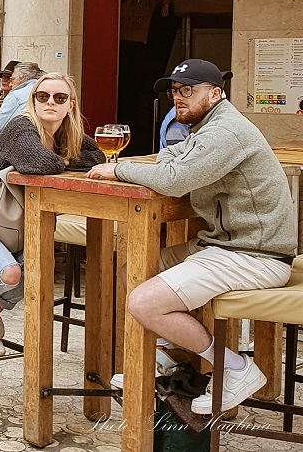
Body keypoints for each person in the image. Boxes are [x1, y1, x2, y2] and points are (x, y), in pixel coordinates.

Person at [87, 59, 297, 414]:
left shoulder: (224, 132)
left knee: (144, 302)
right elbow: (172, 157)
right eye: (174, 91)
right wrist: (164, 163)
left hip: (255, 254)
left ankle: (235, 368)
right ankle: (169, 356)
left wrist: (118, 168)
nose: (178, 98)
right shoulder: (207, 127)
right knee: (135, 269)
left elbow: (174, 180)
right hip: (226, 244)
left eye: (188, 90)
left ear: (215, 93)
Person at [0, 72, 104, 356]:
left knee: (39, 270)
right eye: (43, 96)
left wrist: (61, 158)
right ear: (34, 101)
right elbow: (37, 162)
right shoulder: (21, 128)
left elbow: (97, 158)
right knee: (11, 274)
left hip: (12, 226)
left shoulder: (68, 133)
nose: (50, 102)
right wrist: (65, 159)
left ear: (71, 105)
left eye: (59, 97)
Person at [0, 62, 43, 138]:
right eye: (2, 77)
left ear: (24, 77)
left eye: (12, 79)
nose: (10, 84)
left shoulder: (16, 95)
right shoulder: (43, 90)